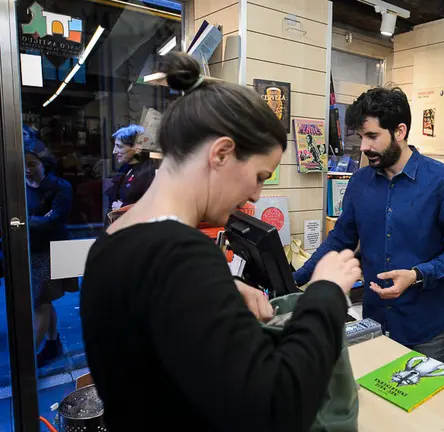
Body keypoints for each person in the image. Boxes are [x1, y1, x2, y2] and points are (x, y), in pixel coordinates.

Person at [80, 52, 361, 431]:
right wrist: (326, 293)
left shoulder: (113, 242)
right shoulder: (180, 256)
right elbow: (277, 408)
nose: (257, 195)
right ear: (221, 153)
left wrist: (217, 292)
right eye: (259, 176)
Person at [293, 87, 444, 362]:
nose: (363, 147)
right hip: (374, 322)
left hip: (425, 328)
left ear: (400, 131)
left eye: (372, 136)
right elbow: (339, 240)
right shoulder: (359, 182)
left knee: (425, 392)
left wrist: (416, 274)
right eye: (361, 137)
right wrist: (293, 280)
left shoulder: (443, 181)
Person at [24, 136, 73, 366]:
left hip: (50, 251)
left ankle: (26, 361)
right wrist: (38, 220)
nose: (27, 170)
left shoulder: (60, 187)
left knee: (40, 303)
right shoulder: (19, 186)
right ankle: (53, 344)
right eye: (23, 165)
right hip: (28, 250)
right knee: (43, 301)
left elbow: (54, 221)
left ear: (44, 164)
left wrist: (24, 220)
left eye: (32, 164)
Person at [105, 124, 156, 212]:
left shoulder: (149, 172)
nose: (114, 151)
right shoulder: (125, 167)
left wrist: (123, 207)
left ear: (137, 148)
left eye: (119, 146)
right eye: (115, 146)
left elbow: (153, 205)